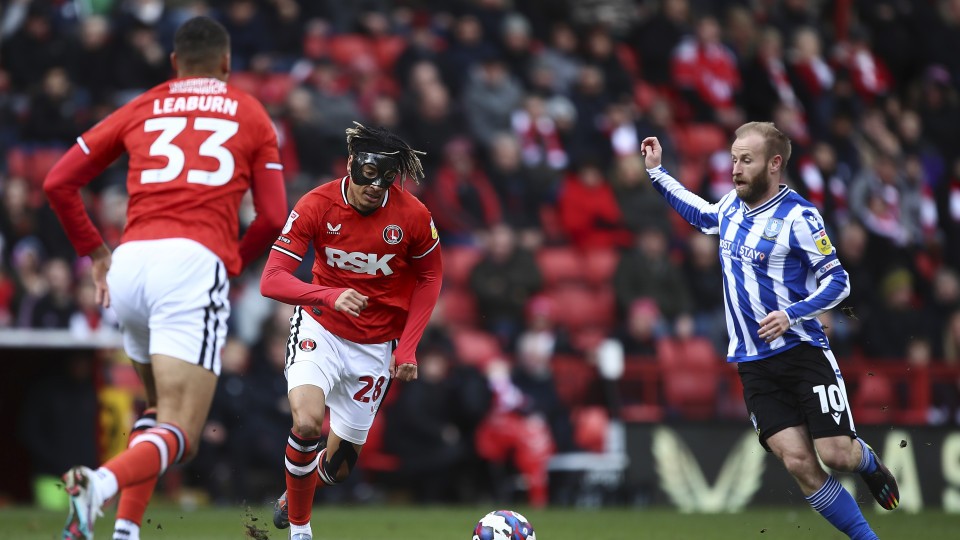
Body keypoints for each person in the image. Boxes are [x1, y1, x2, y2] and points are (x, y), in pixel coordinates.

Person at [42, 16, 288, 540]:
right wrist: (234, 259)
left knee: (157, 413)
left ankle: (125, 532)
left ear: (174, 64)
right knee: (184, 432)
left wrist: (95, 253)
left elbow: (58, 181)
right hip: (192, 264)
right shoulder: (250, 112)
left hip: (130, 262)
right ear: (226, 64)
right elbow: (271, 216)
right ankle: (99, 485)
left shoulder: (144, 104)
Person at [640, 122, 898, 540]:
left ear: (774, 164)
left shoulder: (800, 217)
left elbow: (838, 281)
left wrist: (791, 313)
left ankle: (867, 461)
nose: (735, 169)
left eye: (746, 160)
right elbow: (699, 212)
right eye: (733, 159)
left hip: (802, 352)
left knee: (837, 456)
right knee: (799, 464)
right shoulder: (730, 208)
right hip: (754, 363)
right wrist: (657, 172)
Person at [261, 122, 442, 540]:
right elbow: (271, 279)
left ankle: (299, 491)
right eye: (366, 182)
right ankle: (301, 531)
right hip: (320, 328)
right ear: (350, 166)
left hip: (375, 345)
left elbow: (431, 278)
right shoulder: (315, 204)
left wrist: (408, 350)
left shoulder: (413, 216)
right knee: (307, 425)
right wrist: (326, 295)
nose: (373, 192)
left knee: (339, 468)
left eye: (383, 186)